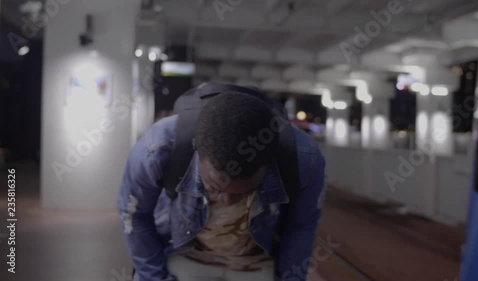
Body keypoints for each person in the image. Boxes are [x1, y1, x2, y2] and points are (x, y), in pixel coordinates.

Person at [117, 87, 327, 281]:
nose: (225, 199)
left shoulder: (305, 160)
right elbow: (134, 215)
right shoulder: (156, 149)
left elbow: (300, 226)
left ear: (267, 165)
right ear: (197, 153)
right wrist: (155, 278)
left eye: (242, 194)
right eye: (213, 187)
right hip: (182, 255)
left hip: (256, 263)